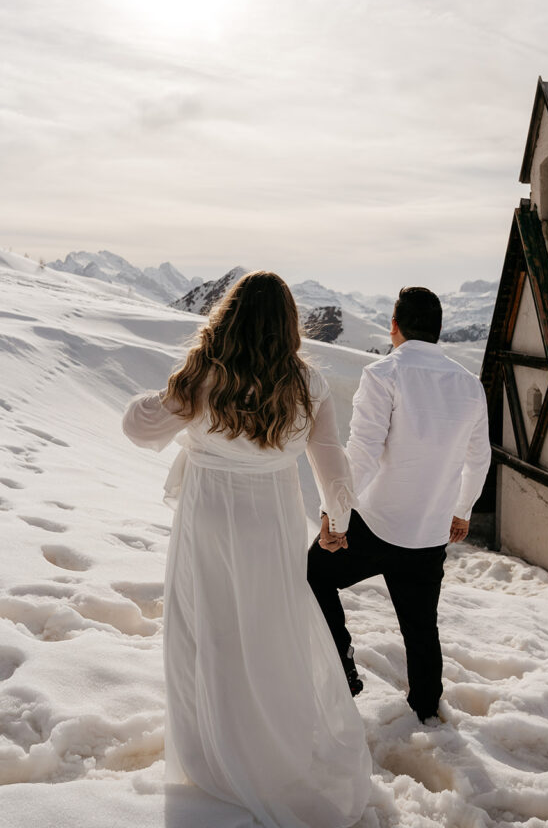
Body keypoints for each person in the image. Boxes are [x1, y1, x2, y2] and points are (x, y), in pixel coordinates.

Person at [122, 271, 371, 828]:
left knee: (205, 629)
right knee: (268, 628)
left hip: (208, 516)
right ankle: (272, 748)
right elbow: (328, 453)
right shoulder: (307, 382)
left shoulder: (203, 374)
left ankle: (211, 752)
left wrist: (159, 394)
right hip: (273, 521)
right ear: (289, 325)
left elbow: (141, 429)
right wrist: (336, 514)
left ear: (227, 315)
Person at [307, 286, 491, 723]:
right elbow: (479, 456)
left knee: (313, 574)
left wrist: (336, 515)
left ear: (394, 326)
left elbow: (364, 453)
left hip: (375, 523)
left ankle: (343, 669)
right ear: (438, 330)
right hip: (429, 530)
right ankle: (426, 710)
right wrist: (462, 510)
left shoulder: (383, 374)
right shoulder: (468, 384)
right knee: (421, 626)